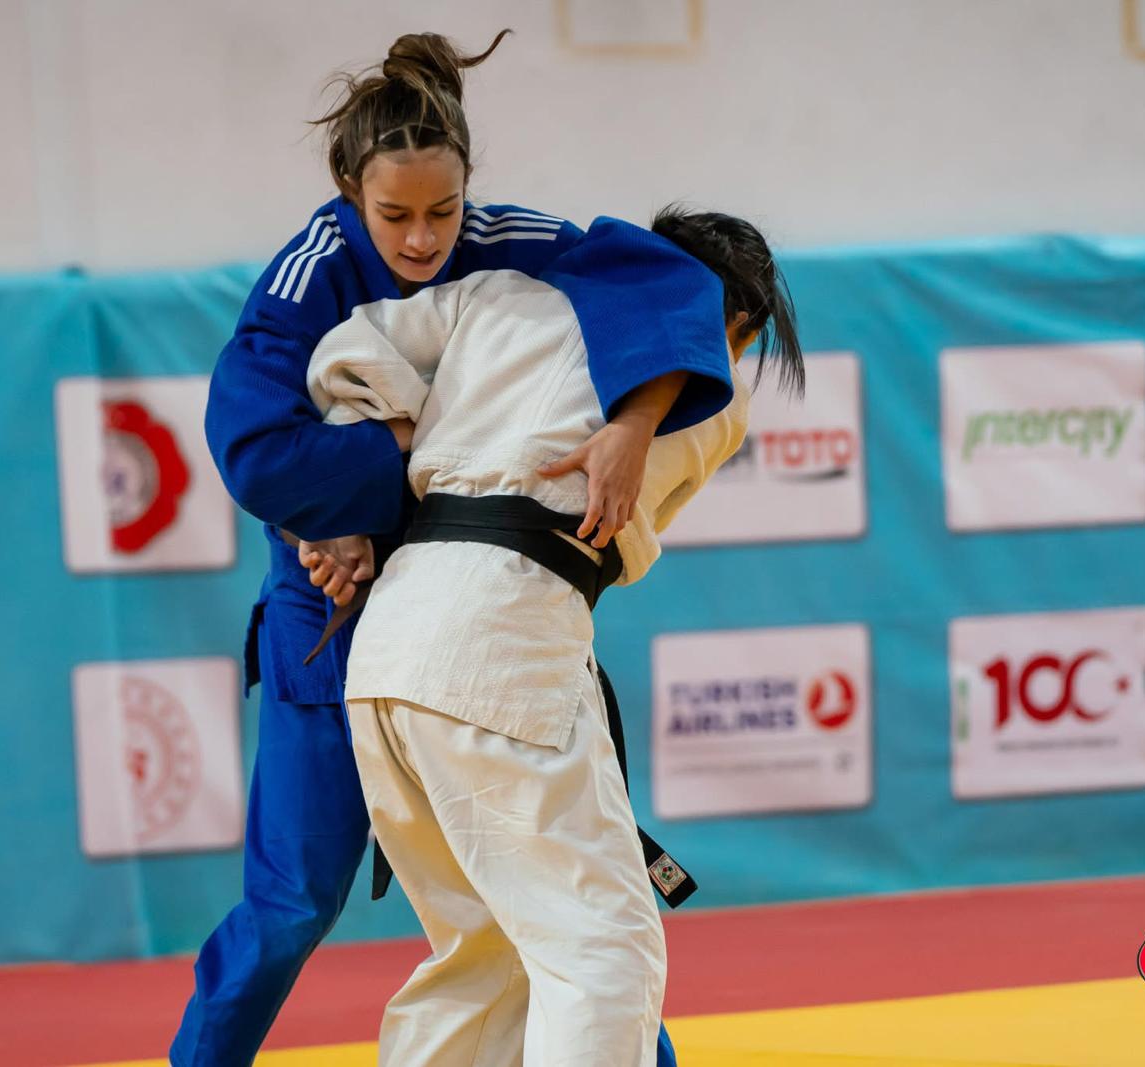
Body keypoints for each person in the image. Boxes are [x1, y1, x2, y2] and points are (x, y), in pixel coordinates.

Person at [173, 31, 731, 1067]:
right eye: (395, 216)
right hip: (328, 612)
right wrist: (356, 490)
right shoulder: (308, 275)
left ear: (468, 185)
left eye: (444, 209)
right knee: (294, 902)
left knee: (559, 897)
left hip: (459, 589)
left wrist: (634, 422)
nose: (424, 238)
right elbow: (254, 453)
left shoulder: (506, 237)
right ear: (349, 189)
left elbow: (671, 282)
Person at [302, 207, 804, 1066]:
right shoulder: (717, 384)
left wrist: (371, 470)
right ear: (742, 324)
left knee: (481, 961)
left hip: (390, 646)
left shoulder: (500, 295)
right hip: (501, 646)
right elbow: (623, 533)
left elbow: (343, 354)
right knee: (602, 955)